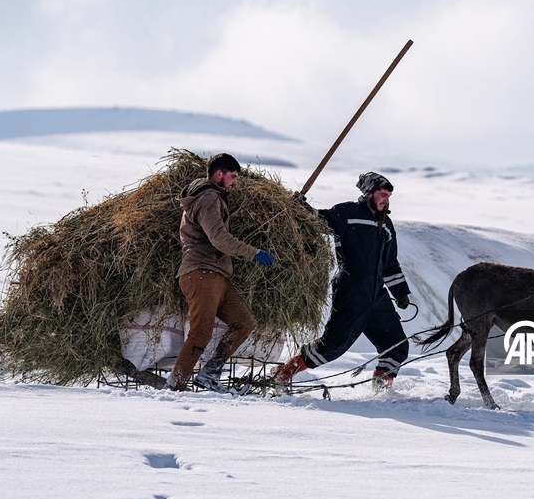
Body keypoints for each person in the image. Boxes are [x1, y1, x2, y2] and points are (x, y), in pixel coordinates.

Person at [274, 171, 411, 392]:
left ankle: (380, 392)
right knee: (333, 347)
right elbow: (319, 221)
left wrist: (400, 292)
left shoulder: (386, 225)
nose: (386, 200)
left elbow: (390, 264)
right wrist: (301, 208)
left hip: (377, 296)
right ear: (369, 193)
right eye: (383, 194)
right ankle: (283, 374)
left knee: (396, 346)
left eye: (389, 196)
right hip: (351, 292)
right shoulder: (347, 212)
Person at [170, 153, 274, 392]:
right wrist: (253, 252)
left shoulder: (214, 197)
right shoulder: (207, 198)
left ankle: (209, 374)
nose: (235, 182)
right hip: (201, 272)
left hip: (217, 274)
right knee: (201, 333)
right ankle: (174, 385)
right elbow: (219, 239)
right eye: (233, 177)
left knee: (244, 322)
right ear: (219, 174)